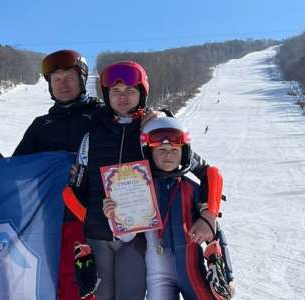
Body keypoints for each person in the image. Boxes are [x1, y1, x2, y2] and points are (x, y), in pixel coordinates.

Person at [104, 117, 234, 300]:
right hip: (158, 275)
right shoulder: (139, 189)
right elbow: (127, 236)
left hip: (192, 270)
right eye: (161, 150)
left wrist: (228, 276)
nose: (168, 155)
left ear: (184, 153)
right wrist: (114, 216)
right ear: (148, 152)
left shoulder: (192, 189)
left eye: (174, 150)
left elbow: (215, 231)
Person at [13, 49, 100, 300]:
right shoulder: (41, 126)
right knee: (59, 283)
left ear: (82, 80)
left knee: (92, 284)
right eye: (56, 79)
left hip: (94, 217)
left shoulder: (100, 116)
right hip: (53, 218)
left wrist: (157, 118)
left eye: (69, 77)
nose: (63, 83)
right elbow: (17, 169)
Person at [68, 60, 156, 300]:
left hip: (136, 237)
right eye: (115, 92)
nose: (123, 97)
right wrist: (88, 216)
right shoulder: (92, 135)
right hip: (98, 235)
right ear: (107, 96)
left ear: (142, 93)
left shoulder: (152, 130)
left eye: (130, 90)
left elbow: (175, 165)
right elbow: (76, 188)